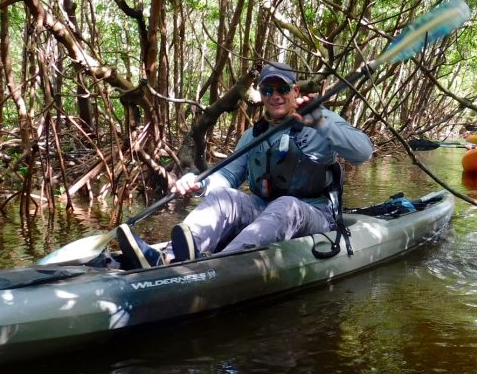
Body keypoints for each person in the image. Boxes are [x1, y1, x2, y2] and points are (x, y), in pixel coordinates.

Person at [116, 61, 374, 268]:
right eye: (268, 90)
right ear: (261, 94)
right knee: (224, 197)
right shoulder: (253, 136)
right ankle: (169, 259)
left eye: (282, 89)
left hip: (316, 215)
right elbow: (228, 174)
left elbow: (363, 153)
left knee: (287, 206)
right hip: (266, 210)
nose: (275, 96)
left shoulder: (322, 118)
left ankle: (218, 267)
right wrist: (200, 183)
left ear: (296, 91)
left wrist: (321, 123)